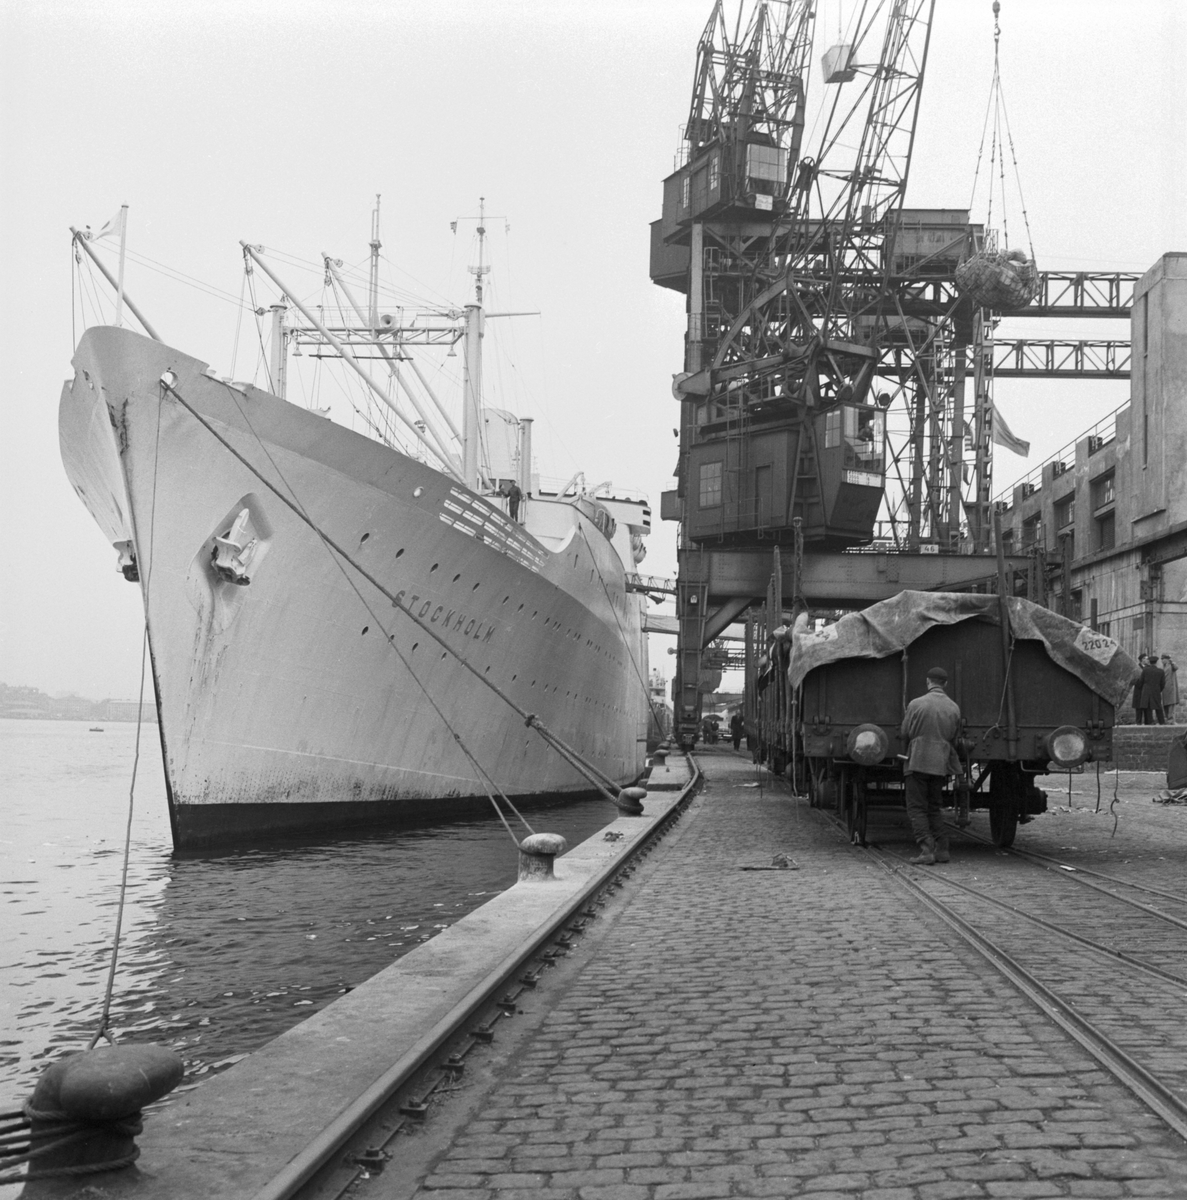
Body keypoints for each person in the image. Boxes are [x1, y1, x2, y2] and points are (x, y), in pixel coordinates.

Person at [901, 666, 962, 865]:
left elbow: (905, 732)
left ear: (928, 682)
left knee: (916, 808)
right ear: (945, 684)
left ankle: (926, 849)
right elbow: (955, 736)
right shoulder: (954, 708)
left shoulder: (916, 704)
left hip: (917, 761)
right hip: (940, 764)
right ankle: (942, 848)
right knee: (934, 806)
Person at [1140, 653, 1167, 725]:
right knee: (1158, 706)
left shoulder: (1145, 670)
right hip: (1156, 691)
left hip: (1146, 691)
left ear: (1149, 662)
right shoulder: (1161, 671)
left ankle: (1149, 723)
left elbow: (1141, 681)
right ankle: (1162, 722)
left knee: (1148, 707)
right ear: (1156, 662)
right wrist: (1158, 689)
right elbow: (1163, 683)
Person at [1162, 654, 1179, 723]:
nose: (1162, 660)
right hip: (1165, 689)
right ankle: (1167, 719)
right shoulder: (1164, 667)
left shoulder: (1171, 666)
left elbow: (1176, 667)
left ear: (1167, 659)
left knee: (1171, 704)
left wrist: (1172, 662)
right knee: (1165, 704)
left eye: (1163, 659)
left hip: (1171, 689)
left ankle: (1171, 720)